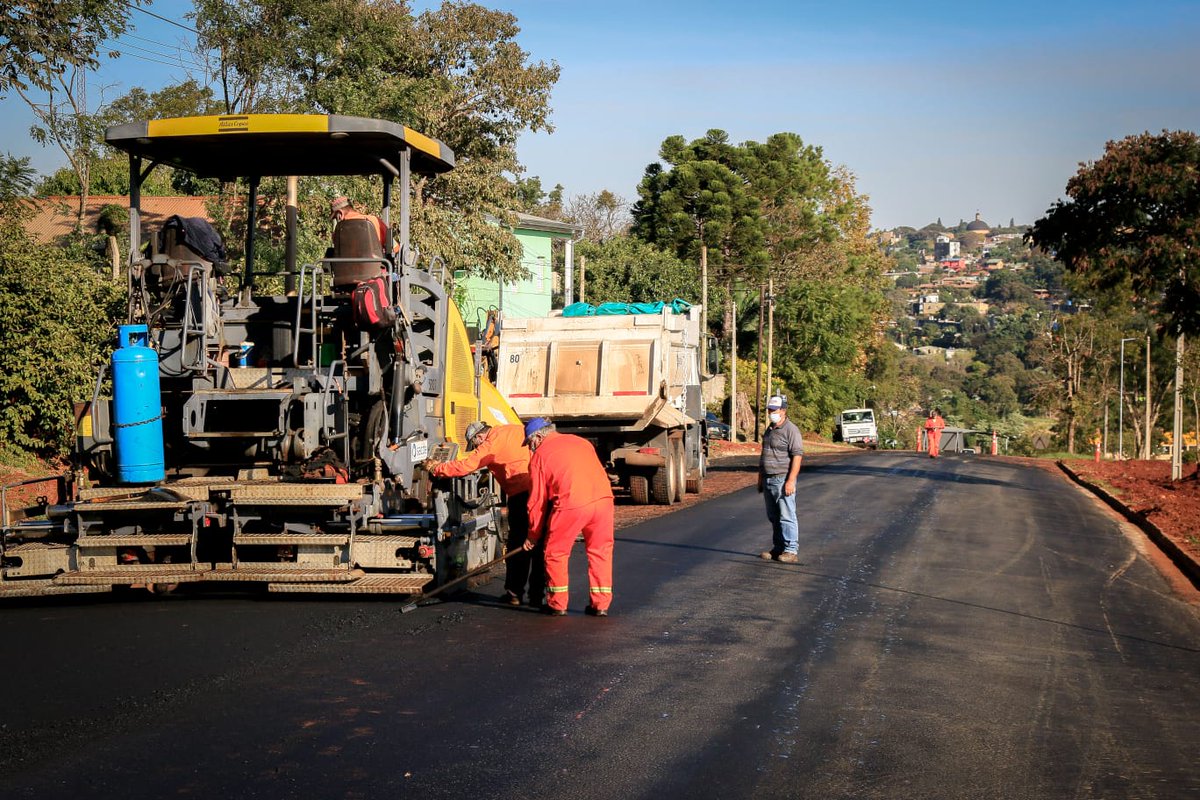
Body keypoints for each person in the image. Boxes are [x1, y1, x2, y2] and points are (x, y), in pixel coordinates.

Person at [428, 420, 543, 607]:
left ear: (479, 437)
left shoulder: (490, 444)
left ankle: (515, 593)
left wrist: (437, 468)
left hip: (521, 496)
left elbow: (467, 465)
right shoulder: (514, 429)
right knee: (540, 544)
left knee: (518, 543)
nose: (476, 447)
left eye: (474, 444)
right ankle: (537, 596)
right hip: (541, 490)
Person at [522, 417, 614, 617]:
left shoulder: (539, 456)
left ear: (538, 437)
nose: (530, 448)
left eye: (530, 443)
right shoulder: (581, 442)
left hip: (572, 503)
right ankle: (601, 605)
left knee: (555, 553)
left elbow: (536, 501)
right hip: (604, 500)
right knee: (600, 552)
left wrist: (533, 535)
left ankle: (557, 604)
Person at [758, 395, 804, 563]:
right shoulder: (769, 429)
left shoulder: (791, 430)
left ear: (783, 411)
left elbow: (797, 456)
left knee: (787, 515)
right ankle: (778, 548)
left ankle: (791, 550)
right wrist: (760, 477)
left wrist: (791, 480)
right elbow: (764, 454)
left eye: (774, 410)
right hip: (768, 479)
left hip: (782, 479)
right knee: (774, 516)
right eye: (770, 410)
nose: (771, 413)